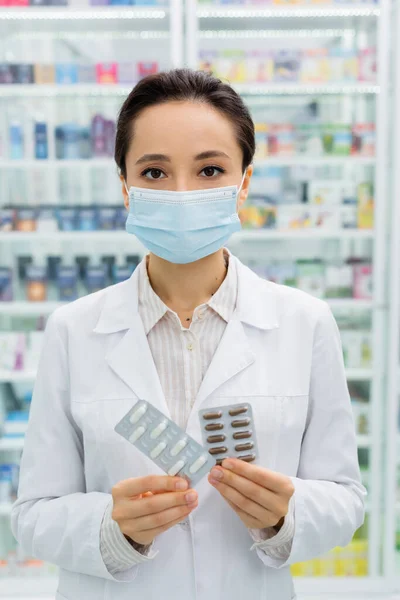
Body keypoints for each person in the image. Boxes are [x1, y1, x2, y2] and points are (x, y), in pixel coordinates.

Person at [11, 69, 366, 600]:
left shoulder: (305, 323)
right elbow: (33, 514)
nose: (181, 192)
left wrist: (286, 515)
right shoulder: (73, 329)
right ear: (125, 187)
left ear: (244, 182)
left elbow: (345, 498)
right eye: (154, 172)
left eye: (210, 170)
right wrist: (112, 527)